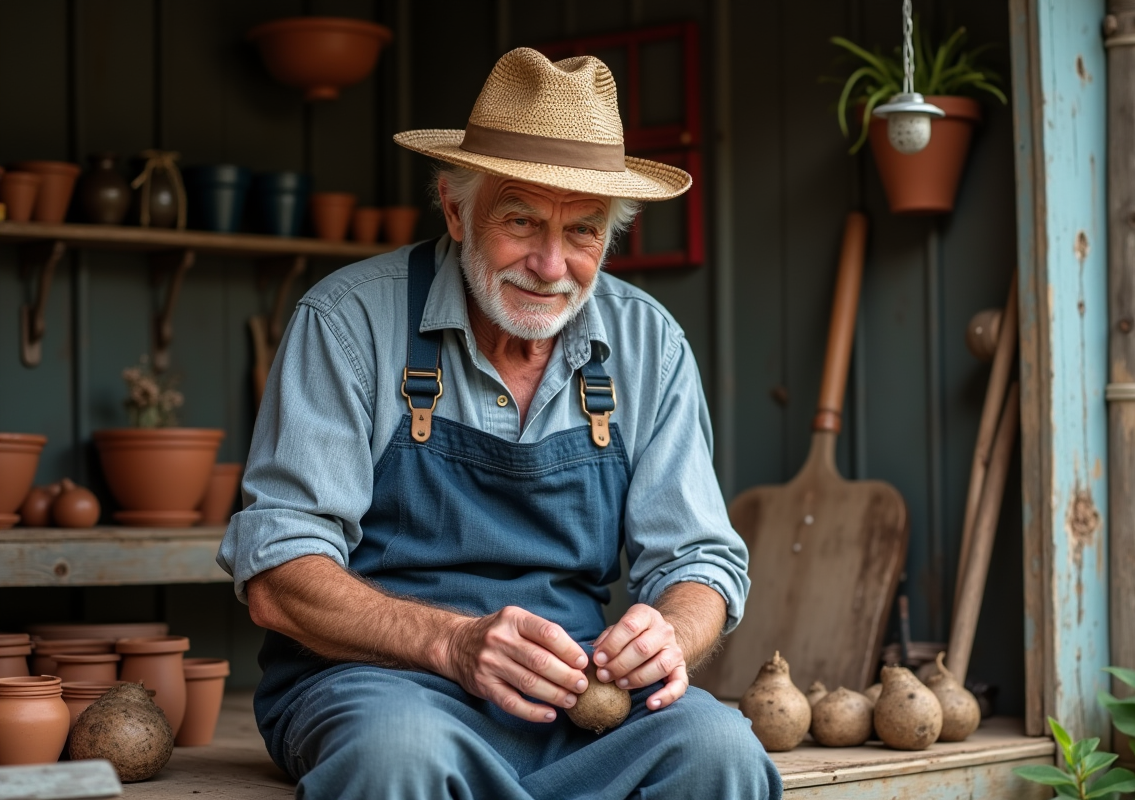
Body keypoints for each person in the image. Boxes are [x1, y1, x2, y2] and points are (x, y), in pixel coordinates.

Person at [218, 47, 783, 800]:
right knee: (400, 757)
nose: (551, 265)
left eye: (582, 231)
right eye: (521, 220)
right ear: (456, 210)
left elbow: (699, 560)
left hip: (572, 695)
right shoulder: (349, 322)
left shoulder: (649, 343)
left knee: (721, 753)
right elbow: (278, 576)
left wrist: (670, 633)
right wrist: (453, 643)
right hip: (380, 684)